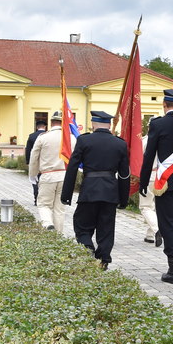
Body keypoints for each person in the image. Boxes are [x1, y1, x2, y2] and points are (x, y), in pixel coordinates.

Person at [60, 111, 130, 269]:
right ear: (109, 125)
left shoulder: (84, 140)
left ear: (93, 124)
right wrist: (123, 199)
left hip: (89, 191)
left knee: (82, 226)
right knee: (106, 229)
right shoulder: (120, 144)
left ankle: (87, 249)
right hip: (110, 193)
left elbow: (72, 168)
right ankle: (104, 259)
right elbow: (124, 174)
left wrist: (66, 195)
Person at [140, 89, 173, 283]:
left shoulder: (158, 124)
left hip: (165, 183)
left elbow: (149, 155)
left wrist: (144, 181)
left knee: (168, 224)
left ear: (164, 105)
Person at [28, 111, 67, 232]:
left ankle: (48, 223)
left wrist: (33, 174)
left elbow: (34, 157)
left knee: (44, 204)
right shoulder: (70, 138)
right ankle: (58, 236)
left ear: (51, 123)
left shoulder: (43, 137)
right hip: (65, 176)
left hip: (48, 175)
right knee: (59, 209)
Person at [139, 120, 163, 247]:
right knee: (154, 207)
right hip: (161, 176)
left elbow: (140, 161)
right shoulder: (163, 139)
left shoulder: (144, 141)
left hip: (149, 175)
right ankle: (150, 235)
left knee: (145, 206)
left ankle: (157, 229)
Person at [25, 120, 47, 202]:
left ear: (37, 127)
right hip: (45, 161)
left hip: (34, 161)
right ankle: (43, 198)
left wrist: (28, 161)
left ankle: (36, 197)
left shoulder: (31, 136)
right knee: (44, 181)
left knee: (34, 179)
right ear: (45, 127)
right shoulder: (47, 135)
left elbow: (28, 150)